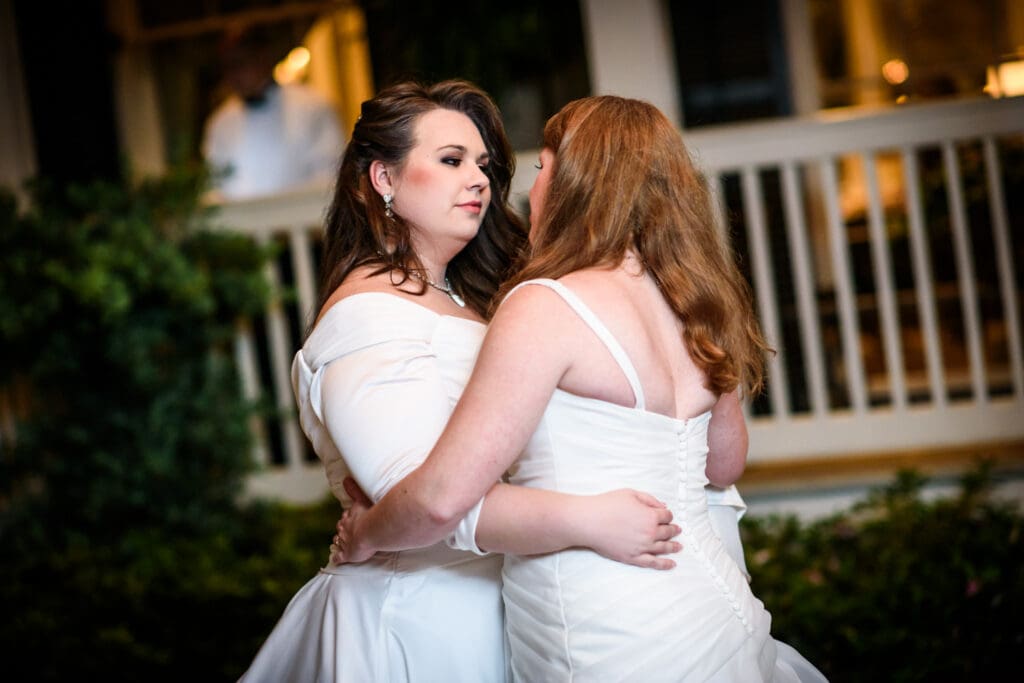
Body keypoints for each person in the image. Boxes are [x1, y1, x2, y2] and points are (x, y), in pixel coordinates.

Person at [333, 95, 829, 681]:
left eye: (542, 169)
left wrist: (365, 530)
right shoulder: (695, 303)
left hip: (609, 628)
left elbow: (442, 499)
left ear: (578, 182)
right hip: (713, 605)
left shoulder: (545, 305)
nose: (520, 189)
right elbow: (724, 463)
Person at [238, 81, 686, 683]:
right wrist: (589, 518)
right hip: (419, 624)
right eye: (450, 161)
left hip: (504, 605)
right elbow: (427, 503)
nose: (478, 179)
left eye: (482, 165)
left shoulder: (468, 301)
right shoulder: (364, 319)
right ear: (384, 180)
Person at [202, 23, 345, 200]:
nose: (233, 75)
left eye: (240, 63)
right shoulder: (220, 123)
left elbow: (331, 174)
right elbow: (214, 188)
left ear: (264, 58)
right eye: (228, 67)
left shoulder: (313, 106)